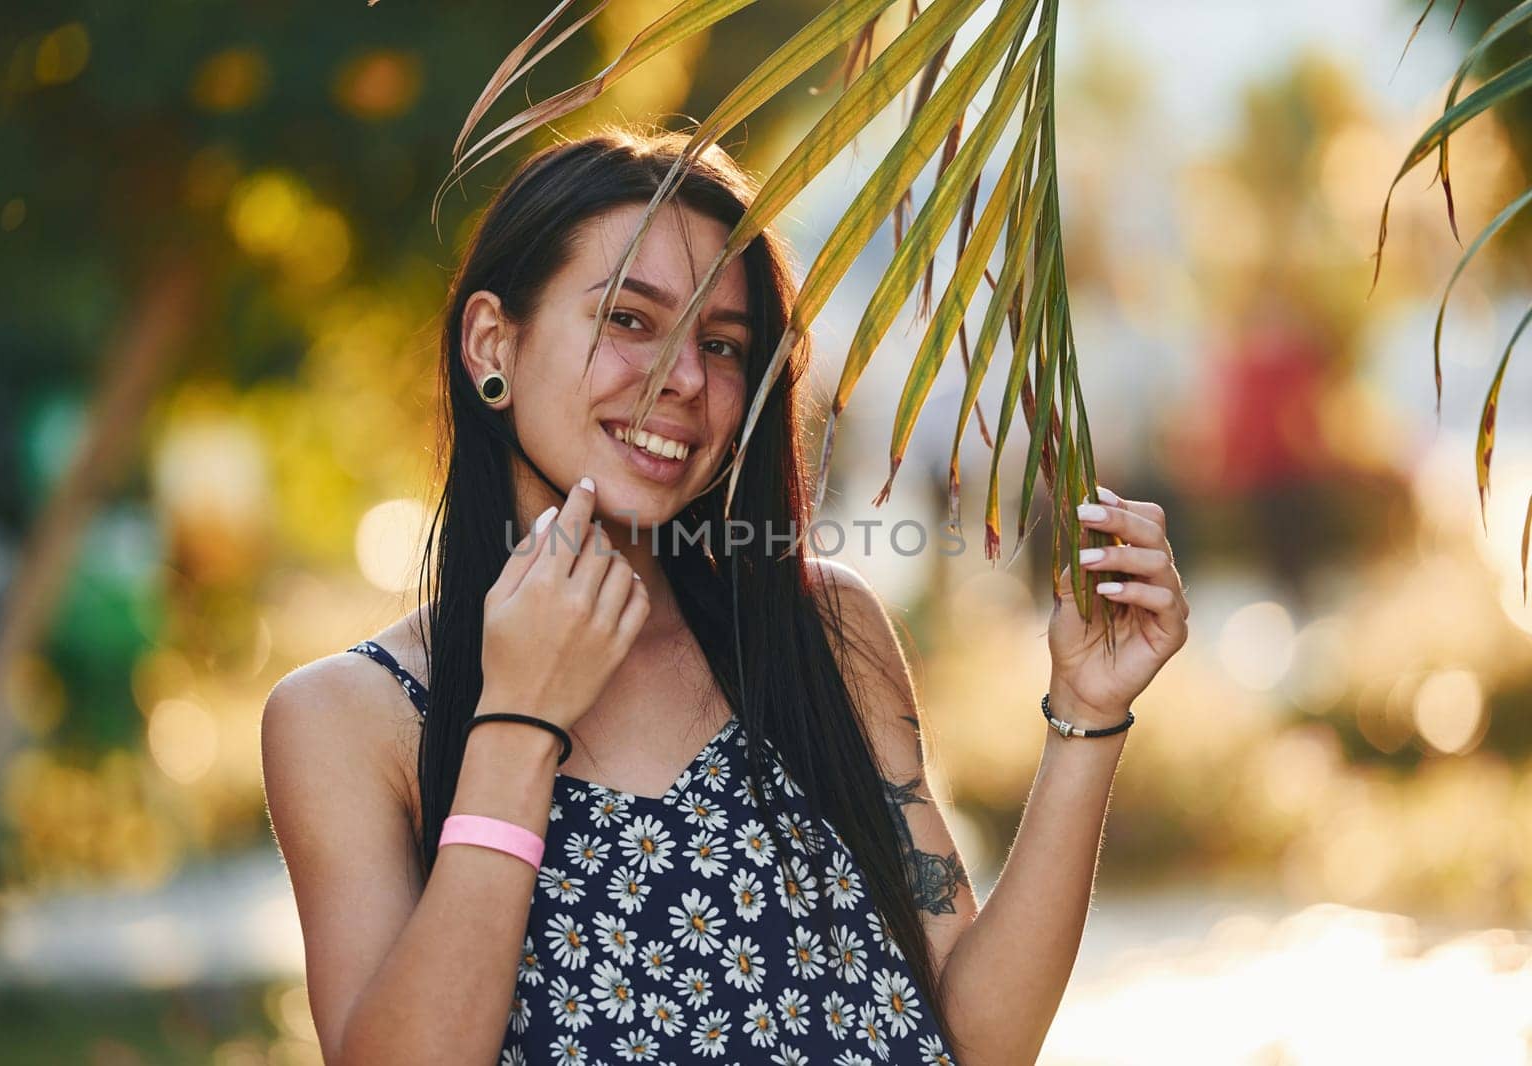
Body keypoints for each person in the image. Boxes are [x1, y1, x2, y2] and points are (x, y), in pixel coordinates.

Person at [260, 125, 1190, 1066]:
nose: (688, 380)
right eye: (629, 319)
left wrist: (1086, 716)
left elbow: (976, 1042)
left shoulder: (824, 634)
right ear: (493, 341)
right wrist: (519, 718)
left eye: (724, 343)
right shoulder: (351, 717)